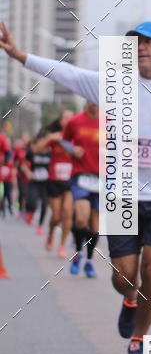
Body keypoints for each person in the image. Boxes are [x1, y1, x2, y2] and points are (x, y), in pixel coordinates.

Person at [0, 20, 151, 354]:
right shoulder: (114, 86)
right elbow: (65, 73)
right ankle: (130, 298)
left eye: (149, 42)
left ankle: (140, 338)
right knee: (123, 276)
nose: (141, 47)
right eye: (135, 42)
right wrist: (19, 55)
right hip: (121, 194)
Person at [62, 101, 101, 277]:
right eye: (92, 100)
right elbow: (64, 141)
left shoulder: (110, 121)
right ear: (86, 101)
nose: (95, 104)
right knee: (80, 219)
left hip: (102, 177)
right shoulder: (75, 121)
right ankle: (78, 252)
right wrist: (72, 149)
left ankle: (90, 261)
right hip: (81, 175)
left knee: (94, 225)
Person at [33, 110, 75, 256]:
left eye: (70, 118)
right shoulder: (55, 136)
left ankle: (62, 245)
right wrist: (49, 138)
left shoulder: (76, 137)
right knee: (56, 216)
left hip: (71, 180)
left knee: (67, 213)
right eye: (65, 118)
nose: (67, 121)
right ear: (60, 121)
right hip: (54, 180)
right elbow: (37, 149)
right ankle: (51, 232)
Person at [23, 133, 51, 230]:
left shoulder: (50, 152)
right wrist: (28, 173)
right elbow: (23, 164)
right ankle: (31, 212)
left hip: (46, 182)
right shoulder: (32, 152)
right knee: (33, 202)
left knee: (44, 204)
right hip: (34, 181)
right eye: (40, 141)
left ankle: (40, 226)